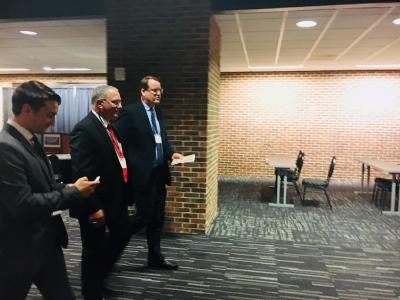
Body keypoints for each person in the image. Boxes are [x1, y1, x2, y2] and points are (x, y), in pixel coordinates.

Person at [0, 80, 98, 300]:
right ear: (27, 109)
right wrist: (73, 194)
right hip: (18, 250)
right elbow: (22, 204)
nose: (53, 122)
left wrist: (67, 187)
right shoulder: (5, 146)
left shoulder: (30, 140)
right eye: (49, 115)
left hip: (46, 244)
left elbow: (42, 185)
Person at [114, 75, 183, 270]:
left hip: (159, 173)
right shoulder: (131, 112)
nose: (158, 93)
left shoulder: (158, 112)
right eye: (154, 90)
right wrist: (129, 165)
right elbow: (118, 141)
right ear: (143, 91)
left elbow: (163, 140)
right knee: (144, 216)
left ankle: (155, 257)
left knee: (157, 218)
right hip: (141, 175)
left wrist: (172, 154)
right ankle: (115, 238)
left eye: (160, 90)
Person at [70, 85, 132, 299]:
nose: (119, 106)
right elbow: (82, 174)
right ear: (100, 104)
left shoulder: (109, 127)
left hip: (115, 200)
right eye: (115, 102)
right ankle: (91, 292)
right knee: (93, 252)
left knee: (122, 233)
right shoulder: (84, 129)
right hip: (96, 205)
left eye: (120, 102)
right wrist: (94, 207)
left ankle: (98, 280)